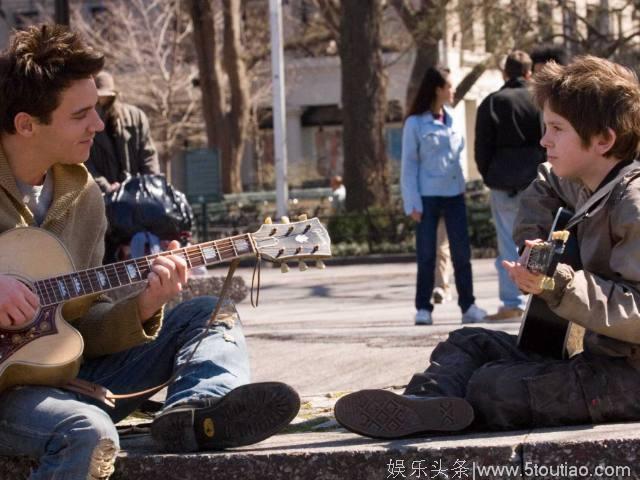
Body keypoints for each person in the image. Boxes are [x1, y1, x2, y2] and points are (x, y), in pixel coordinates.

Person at [0, 24, 299, 479]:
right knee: (89, 432)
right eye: (81, 115)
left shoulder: (82, 197)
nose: (99, 125)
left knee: (208, 312)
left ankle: (196, 412)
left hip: (65, 374)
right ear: (26, 124)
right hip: (13, 398)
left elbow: (81, 325)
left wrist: (144, 305)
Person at [334, 56, 640, 440]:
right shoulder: (584, 179)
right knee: (467, 342)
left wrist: (557, 285)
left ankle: (451, 408)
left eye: (557, 129)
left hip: (626, 377)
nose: (544, 140)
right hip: (595, 356)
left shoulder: (631, 204)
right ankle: (424, 407)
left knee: (491, 386)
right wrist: (537, 243)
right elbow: (544, 184)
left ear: (603, 140)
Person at [400, 66, 486, 326]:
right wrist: (411, 202)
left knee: (462, 253)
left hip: (454, 195)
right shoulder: (415, 123)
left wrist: (462, 186)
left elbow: (457, 158)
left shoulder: (452, 119)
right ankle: (423, 308)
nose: (453, 91)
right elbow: (409, 164)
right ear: (438, 89)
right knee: (426, 255)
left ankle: (468, 305)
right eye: (449, 86)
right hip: (427, 196)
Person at [474, 51, 545, 321]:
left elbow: (481, 148)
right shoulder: (540, 101)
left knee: (507, 244)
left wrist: (490, 175)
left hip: (503, 182)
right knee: (540, 241)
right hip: (536, 181)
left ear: (505, 73)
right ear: (529, 73)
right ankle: (541, 300)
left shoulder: (492, 102)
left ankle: (512, 302)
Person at [86, 70, 160, 194]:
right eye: (98, 100)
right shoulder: (87, 124)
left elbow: (148, 157)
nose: (102, 104)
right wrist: (106, 187)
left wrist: (150, 186)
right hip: (103, 198)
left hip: (138, 194)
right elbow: (84, 165)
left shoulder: (136, 118)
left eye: (107, 99)